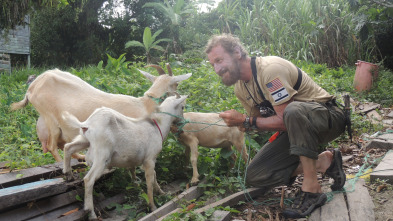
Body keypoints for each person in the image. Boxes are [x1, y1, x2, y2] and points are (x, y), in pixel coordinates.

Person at [205, 33, 346, 218]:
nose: (217, 69)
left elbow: (285, 117)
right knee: (255, 175)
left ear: (237, 52)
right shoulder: (241, 88)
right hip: (294, 129)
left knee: (292, 111)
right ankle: (323, 162)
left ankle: (312, 189)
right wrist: (242, 124)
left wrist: (246, 121)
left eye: (219, 60)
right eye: (212, 64)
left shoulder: (270, 71)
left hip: (328, 119)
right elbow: (260, 122)